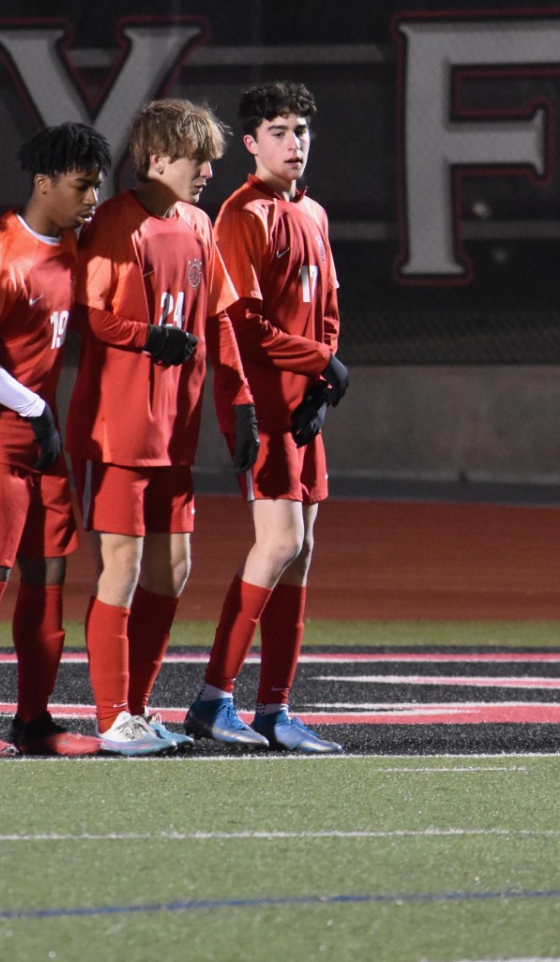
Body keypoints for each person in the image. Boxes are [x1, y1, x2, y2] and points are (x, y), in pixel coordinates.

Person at [70, 100, 257, 756]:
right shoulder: (116, 224)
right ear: (154, 159)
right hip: (118, 431)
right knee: (119, 567)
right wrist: (150, 336)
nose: (207, 169)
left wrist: (239, 410)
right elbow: (93, 316)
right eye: (194, 157)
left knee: (172, 569)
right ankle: (112, 714)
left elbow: (222, 321)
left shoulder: (200, 225)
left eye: (210, 157)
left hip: (175, 433)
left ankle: (141, 708)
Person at [0, 122, 113, 757]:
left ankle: (33, 720)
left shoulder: (71, 245)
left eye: (97, 185)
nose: (92, 198)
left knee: (49, 578)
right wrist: (36, 409)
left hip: (44, 440)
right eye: (81, 185)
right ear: (44, 183)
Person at [186, 81, 350, 754]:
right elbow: (244, 328)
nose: (294, 143)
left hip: (302, 406)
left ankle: (275, 709)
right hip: (261, 407)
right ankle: (212, 697)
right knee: (278, 543)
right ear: (249, 142)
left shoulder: (314, 214)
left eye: (302, 131)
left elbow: (329, 309)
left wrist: (321, 376)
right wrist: (317, 362)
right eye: (279, 131)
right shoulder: (240, 214)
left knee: (301, 552)